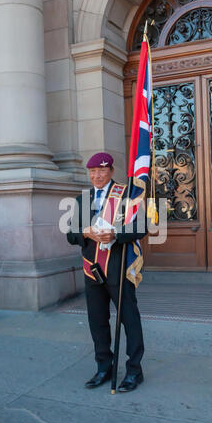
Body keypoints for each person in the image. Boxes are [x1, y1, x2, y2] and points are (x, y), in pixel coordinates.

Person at [67, 152, 148, 392]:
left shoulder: (126, 194)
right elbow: (70, 235)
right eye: (92, 172)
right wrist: (85, 233)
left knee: (129, 320)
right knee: (97, 321)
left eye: (102, 171)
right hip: (92, 269)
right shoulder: (83, 198)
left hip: (119, 267)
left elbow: (143, 226)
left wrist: (116, 235)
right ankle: (104, 367)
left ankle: (134, 371)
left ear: (111, 171)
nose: (97, 176)